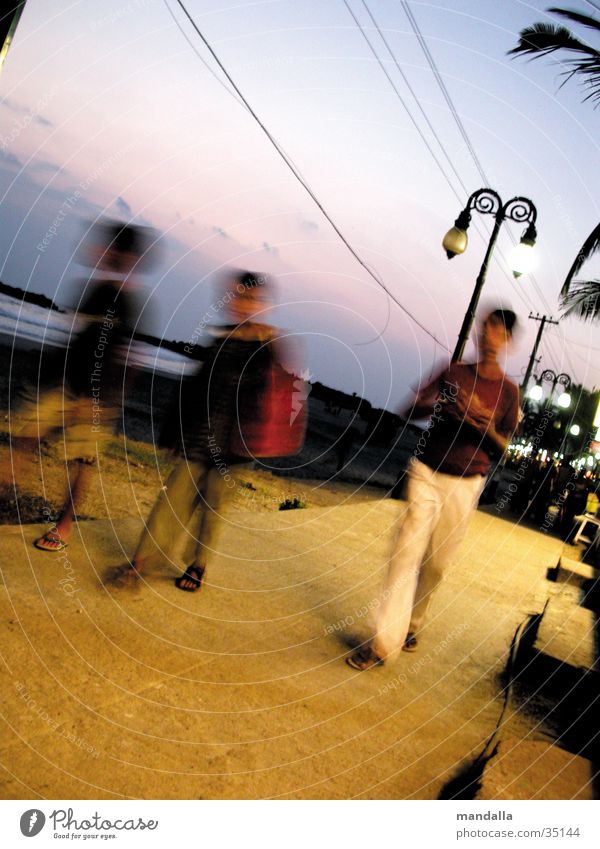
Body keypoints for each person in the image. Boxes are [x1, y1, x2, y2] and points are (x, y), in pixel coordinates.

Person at [347, 308, 520, 670]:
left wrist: (484, 424)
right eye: (485, 329)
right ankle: (382, 643)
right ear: (478, 333)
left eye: (498, 333)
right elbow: (410, 409)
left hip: (466, 482)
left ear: (507, 342)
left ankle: (412, 622)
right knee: (406, 552)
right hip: (426, 469)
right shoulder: (453, 371)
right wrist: (439, 404)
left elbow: (504, 447)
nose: (489, 338)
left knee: (436, 565)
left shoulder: (508, 392)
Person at [109, 270, 278, 592]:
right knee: (172, 500)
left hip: (236, 447)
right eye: (234, 296)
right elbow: (194, 387)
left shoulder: (268, 345)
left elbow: (272, 396)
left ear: (259, 302)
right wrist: (174, 430)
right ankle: (142, 560)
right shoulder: (219, 339)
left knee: (213, 508)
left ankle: (198, 564)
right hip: (199, 436)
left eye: (247, 297)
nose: (238, 304)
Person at [8, 220, 154, 551]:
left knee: (80, 462)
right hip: (64, 386)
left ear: (127, 256)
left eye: (113, 248)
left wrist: (97, 400)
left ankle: (63, 527)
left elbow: (130, 359)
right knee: (26, 437)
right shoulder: (95, 289)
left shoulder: (131, 303)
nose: (103, 252)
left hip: (97, 399)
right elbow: (77, 339)